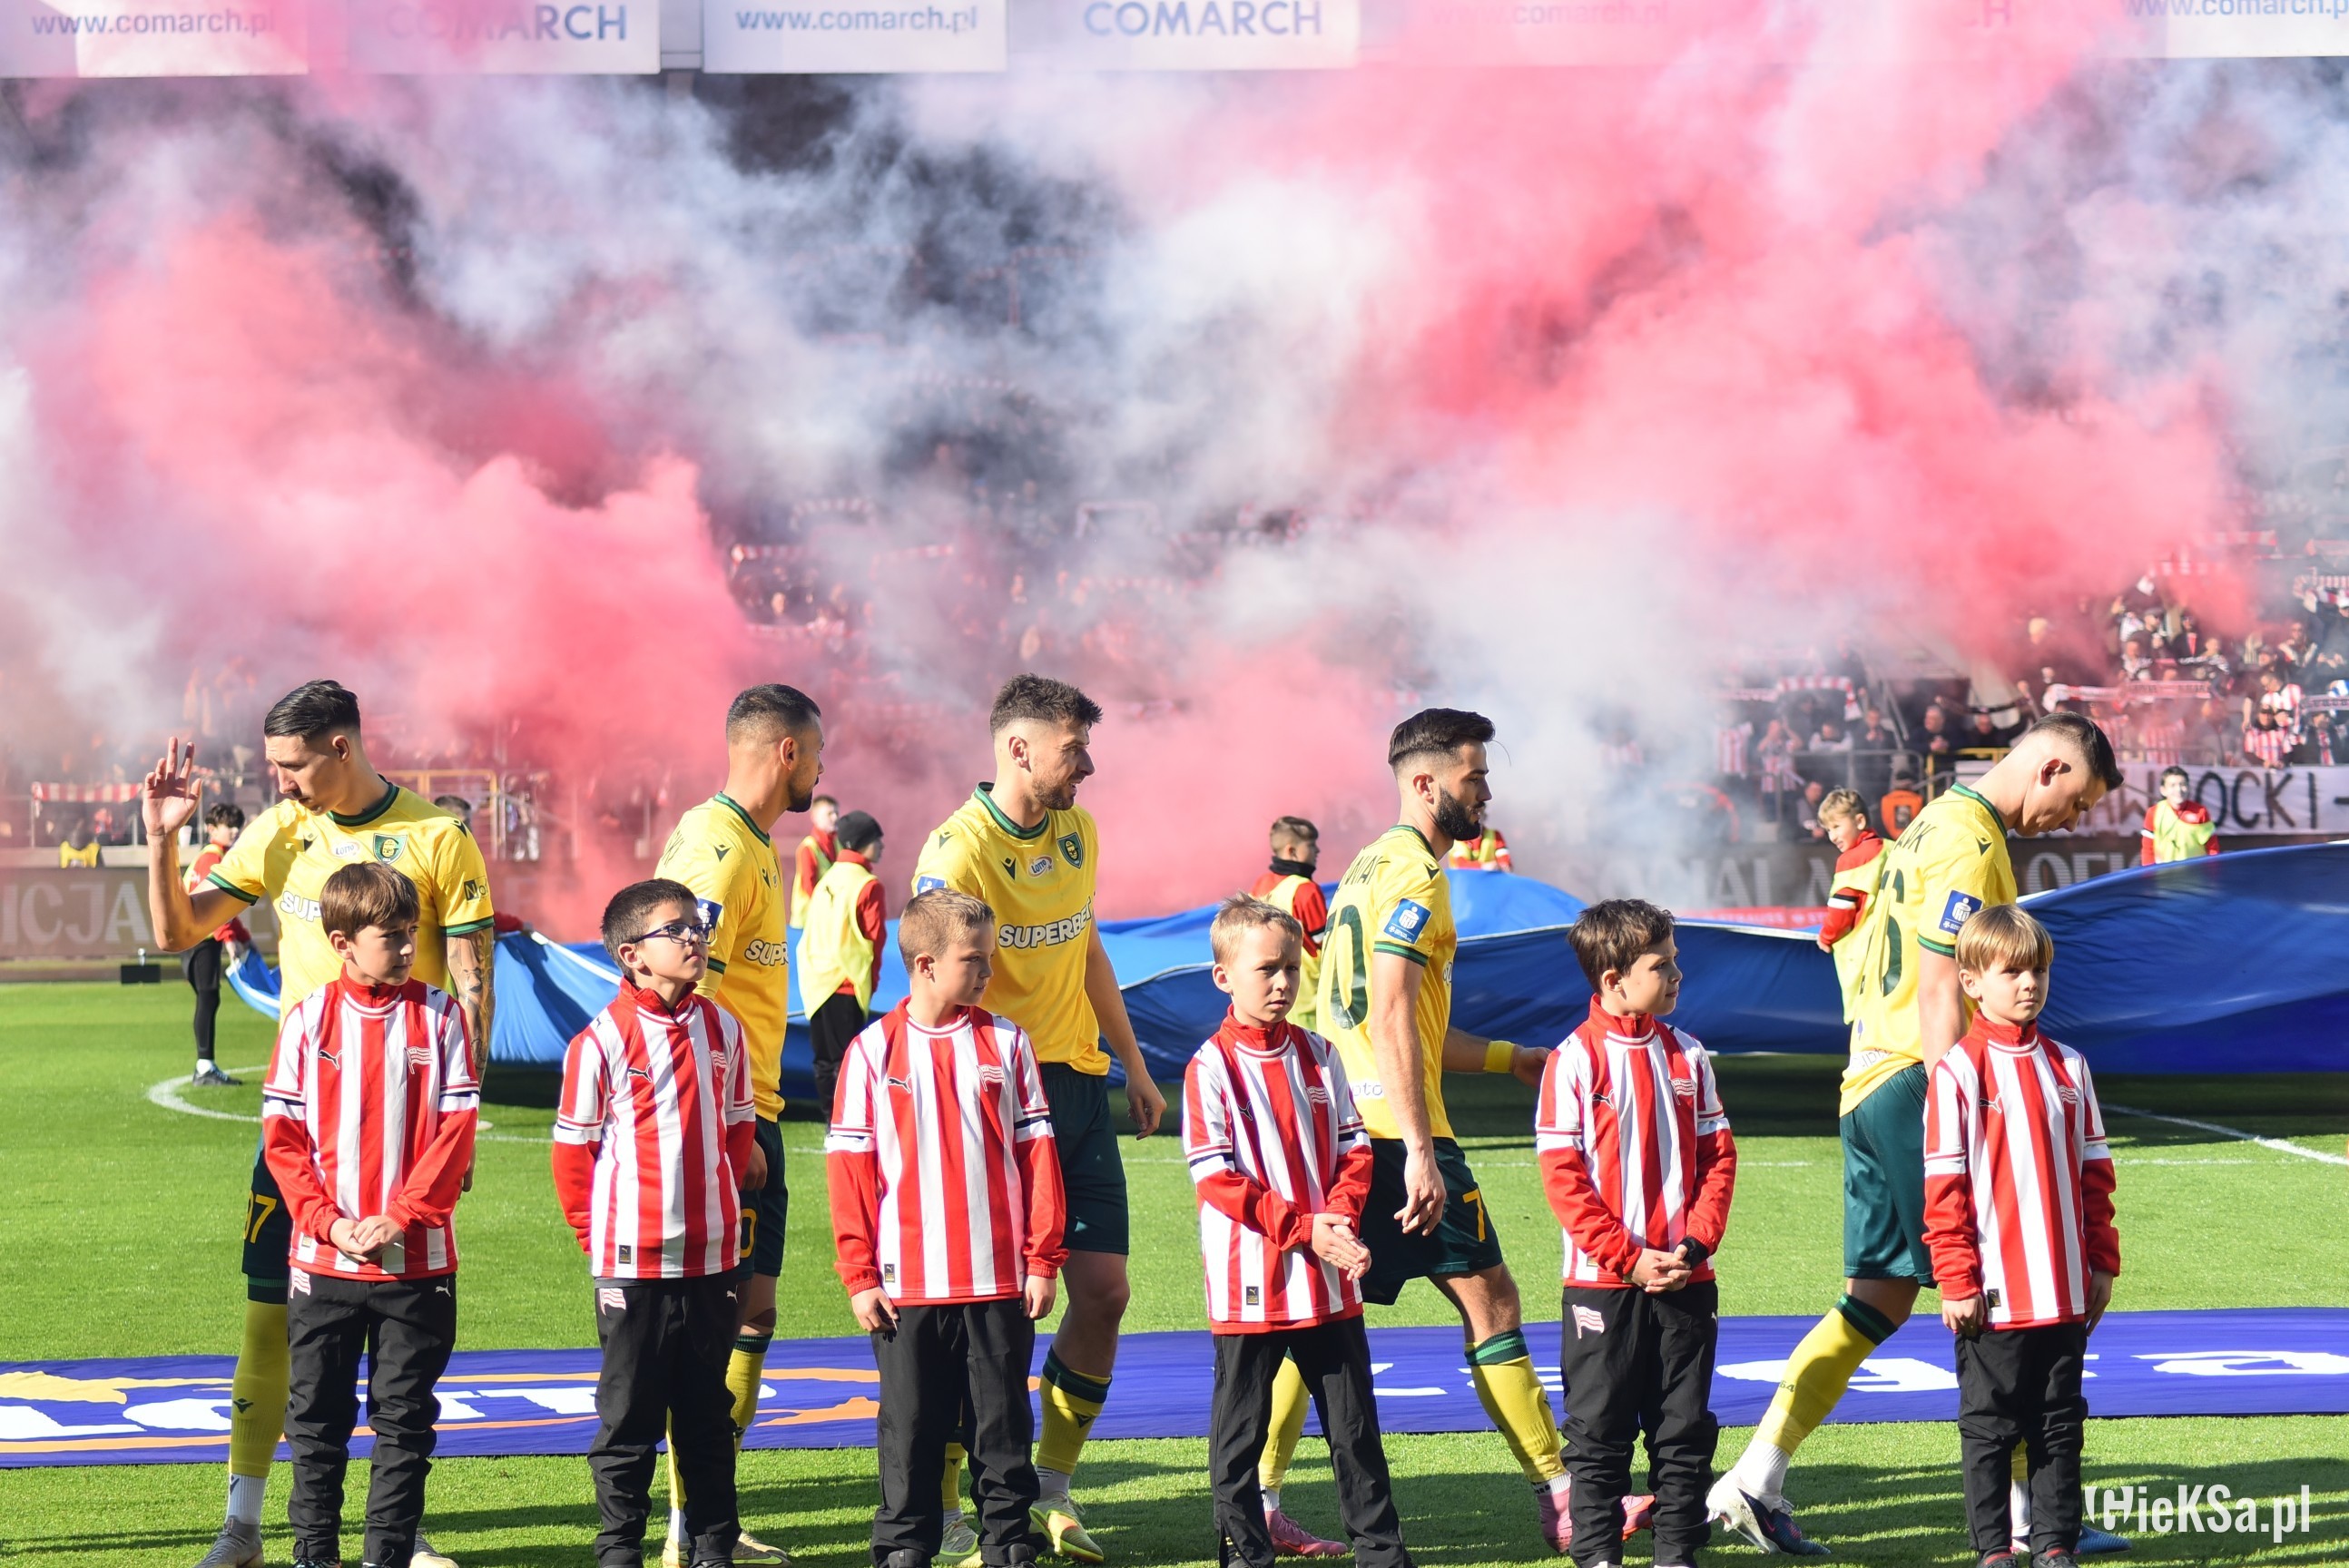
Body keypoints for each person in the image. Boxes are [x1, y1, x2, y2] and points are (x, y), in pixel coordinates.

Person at [1710, 711, 2121, 1558]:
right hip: (1914, 1081)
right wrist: (1955, 1109)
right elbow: (1940, 987)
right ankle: (2030, 1515)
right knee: (2003, 1298)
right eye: (2079, 801)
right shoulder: (1970, 840)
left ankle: (1753, 1479)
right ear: (2049, 768)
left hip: (1867, 1079)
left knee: (1875, 1299)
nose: (2072, 821)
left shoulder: (1933, 819)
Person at [1281, 707, 1647, 1557]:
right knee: (1491, 1301)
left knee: (1319, 1321)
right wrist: (1419, 1147)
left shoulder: (1367, 865)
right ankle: (1562, 1497)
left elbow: (1399, 1019)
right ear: (1426, 783)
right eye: (1473, 777)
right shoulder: (1415, 874)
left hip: (1348, 1122)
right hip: (1394, 1132)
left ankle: (1255, 1500)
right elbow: (1392, 1014)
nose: (1485, 792)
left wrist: (1511, 1059)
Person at [143, 681, 495, 1568]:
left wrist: (462, 1129)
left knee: (397, 1355)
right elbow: (177, 930)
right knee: (273, 1324)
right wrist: (162, 840)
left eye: (292, 764)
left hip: (404, 1141)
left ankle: (395, 1535)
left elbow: (472, 985)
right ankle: (242, 1527)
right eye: (274, 766)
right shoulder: (279, 831)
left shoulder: (436, 837)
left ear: (341, 747)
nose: (280, 780)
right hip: (302, 1137)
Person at [911, 674, 1166, 1563]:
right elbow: (932, 993)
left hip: (1080, 1091)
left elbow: (1086, 948)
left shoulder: (1077, 831)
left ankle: (1050, 1488)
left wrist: (1132, 1063)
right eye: (1073, 750)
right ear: (1018, 749)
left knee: (1104, 1293)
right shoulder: (956, 852)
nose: (1087, 767)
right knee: (982, 1317)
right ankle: (947, 1505)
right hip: (992, 1101)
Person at [827, 888, 1066, 1568]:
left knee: (1001, 1425)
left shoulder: (1008, 1042)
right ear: (926, 965)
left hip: (997, 1279)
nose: (988, 971)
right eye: (974, 959)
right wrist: (860, 1276)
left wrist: (1041, 1260)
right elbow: (850, 1173)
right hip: (907, 1287)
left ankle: (1007, 1542)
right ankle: (903, 1546)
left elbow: (1038, 1157)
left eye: (989, 957)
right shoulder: (871, 1051)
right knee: (909, 1426)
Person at [652, 683, 827, 1568]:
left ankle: (705, 1519)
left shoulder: (753, 845)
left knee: (752, 1313)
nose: (821, 771)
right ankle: (687, 1532)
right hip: (727, 1123)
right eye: (816, 754)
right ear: (787, 751)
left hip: (754, 1112)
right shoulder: (716, 847)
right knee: (712, 1324)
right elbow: (678, 994)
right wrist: (728, 1130)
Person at [260, 862, 479, 1568]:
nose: (409, 945)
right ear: (342, 942)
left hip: (417, 1265)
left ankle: (386, 1555)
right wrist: (327, 1222)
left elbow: (456, 1131)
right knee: (315, 1423)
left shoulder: (442, 1016)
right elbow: (283, 1140)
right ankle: (314, 1554)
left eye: (413, 931)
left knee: (405, 1423)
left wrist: (401, 1216)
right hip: (324, 1262)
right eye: (392, 935)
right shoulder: (307, 1020)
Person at [1186, 897, 1411, 1568]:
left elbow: (1355, 1148)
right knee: (1239, 1436)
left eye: (1291, 967)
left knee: (1355, 1430)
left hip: (1327, 1278)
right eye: (1267, 969)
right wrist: (1306, 1227)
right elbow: (1217, 1179)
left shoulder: (1319, 1054)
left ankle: (1383, 1555)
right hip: (1250, 1285)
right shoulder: (1210, 1067)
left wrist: (1337, 1217)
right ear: (1224, 977)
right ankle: (1245, 1555)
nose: (1283, 981)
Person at [555, 879, 757, 1568]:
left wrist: (715, 1206)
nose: (695, 937)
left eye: (697, 925)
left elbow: (738, 1131)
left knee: (706, 1414)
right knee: (628, 1416)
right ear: (632, 955)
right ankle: (620, 1550)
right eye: (677, 929)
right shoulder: (600, 1040)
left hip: (712, 1260)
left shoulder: (725, 1028)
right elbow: (572, 1156)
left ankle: (712, 1548)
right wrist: (600, 1240)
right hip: (632, 1264)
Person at [1540, 900, 1736, 1568]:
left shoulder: (1690, 1054)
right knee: (1598, 1433)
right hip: (1603, 1285)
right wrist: (1628, 1258)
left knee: (1684, 1432)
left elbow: (1718, 1159)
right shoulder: (1572, 1061)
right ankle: (1598, 1554)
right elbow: (1564, 1180)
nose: (1678, 973)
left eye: (1675, 960)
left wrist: (1694, 1245)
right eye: (1662, 964)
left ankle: (1677, 1553)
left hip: (1686, 1277)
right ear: (1613, 979)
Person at [1925, 906, 2119, 1568]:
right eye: (2012, 972)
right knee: (1990, 1426)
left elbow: (2095, 1176)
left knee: (2060, 1423)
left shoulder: (2070, 1067)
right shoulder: (1958, 1072)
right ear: (1972, 981)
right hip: (1994, 1294)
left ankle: (2055, 1543)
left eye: (2037, 970)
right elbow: (1944, 1189)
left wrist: (2101, 1263)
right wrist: (1956, 1279)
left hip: (2063, 1289)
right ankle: (1992, 1549)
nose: (2029, 983)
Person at [800, 810, 888, 1114]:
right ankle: (848, 1122)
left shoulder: (828, 879)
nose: (882, 846)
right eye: (877, 839)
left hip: (817, 982)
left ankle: (831, 1123)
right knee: (849, 1061)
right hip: (847, 982)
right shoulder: (868, 884)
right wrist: (871, 981)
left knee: (824, 1061)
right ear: (862, 842)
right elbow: (875, 939)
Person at [183, 800, 252, 1087]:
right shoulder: (213, 858)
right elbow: (212, 903)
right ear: (212, 828)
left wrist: (241, 937)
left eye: (238, 826)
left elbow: (223, 908)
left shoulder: (212, 856)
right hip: (202, 939)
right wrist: (229, 938)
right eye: (229, 826)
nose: (235, 831)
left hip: (198, 938)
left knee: (209, 998)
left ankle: (205, 1066)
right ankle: (204, 1067)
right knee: (208, 997)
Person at [1249, 817, 1329, 1034]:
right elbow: (1327, 945)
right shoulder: (1307, 890)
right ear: (1292, 851)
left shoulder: (1260, 885)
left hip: (1271, 991)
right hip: (1308, 996)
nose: (1317, 851)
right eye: (1311, 845)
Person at [1814, 790, 1884, 1025]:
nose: (1832, 836)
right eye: (1828, 830)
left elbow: (1841, 913)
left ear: (1860, 821)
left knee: (1865, 1027)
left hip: (1862, 958)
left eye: (1836, 826)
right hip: (1894, 951)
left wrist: (1826, 937)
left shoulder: (1850, 860)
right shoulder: (1892, 848)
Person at [2138, 767, 2218, 865]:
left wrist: (2213, 870)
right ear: (2163, 790)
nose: (2179, 790)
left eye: (2183, 784)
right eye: (2172, 785)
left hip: (2195, 873)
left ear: (2189, 788)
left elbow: (2213, 849)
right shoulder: (2153, 813)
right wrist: (2149, 873)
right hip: (2165, 873)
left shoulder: (2201, 812)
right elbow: (2147, 850)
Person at [789, 794, 840, 933]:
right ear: (815, 817)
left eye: (836, 813)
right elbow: (808, 886)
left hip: (827, 917)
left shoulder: (837, 843)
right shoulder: (808, 847)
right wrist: (828, 910)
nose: (835, 818)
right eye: (829, 814)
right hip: (808, 921)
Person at [1445, 825, 1512, 872]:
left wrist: (1500, 867)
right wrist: (1485, 867)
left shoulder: (1495, 835)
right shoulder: (1457, 838)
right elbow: (1460, 865)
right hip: (1462, 885)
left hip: (1488, 884)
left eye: (1480, 812)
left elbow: (1506, 866)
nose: (1477, 816)